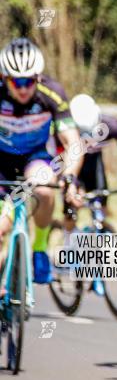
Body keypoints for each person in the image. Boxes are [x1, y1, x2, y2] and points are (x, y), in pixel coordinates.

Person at [0, 38, 82, 283]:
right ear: (5, 78)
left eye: (30, 81)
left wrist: (70, 177)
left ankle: (39, 247)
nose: (24, 88)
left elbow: (73, 144)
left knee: (46, 189)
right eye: (17, 82)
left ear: (38, 78)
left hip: (34, 157)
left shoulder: (52, 94)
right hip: (1, 162)